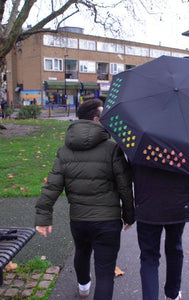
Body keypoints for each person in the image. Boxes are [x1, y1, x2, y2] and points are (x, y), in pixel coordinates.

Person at [35, 99, 135, 300]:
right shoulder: (113, 149)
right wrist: (129, 215)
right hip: (108, 221)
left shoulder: (65, 150)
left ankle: (83, 288)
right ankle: (85, 287)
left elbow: (52, 185)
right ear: (97, 119)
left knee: (81, 252)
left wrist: (43, 217)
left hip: (79, 220)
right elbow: (125, 186)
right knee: (106, 272)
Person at [132, 165, 189, 300]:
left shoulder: (140, 146)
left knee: (149, 257)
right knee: (175, 248)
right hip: (178, 204)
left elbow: (132, 173)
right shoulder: (184, 144)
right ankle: (173, 294)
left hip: (147, 205)